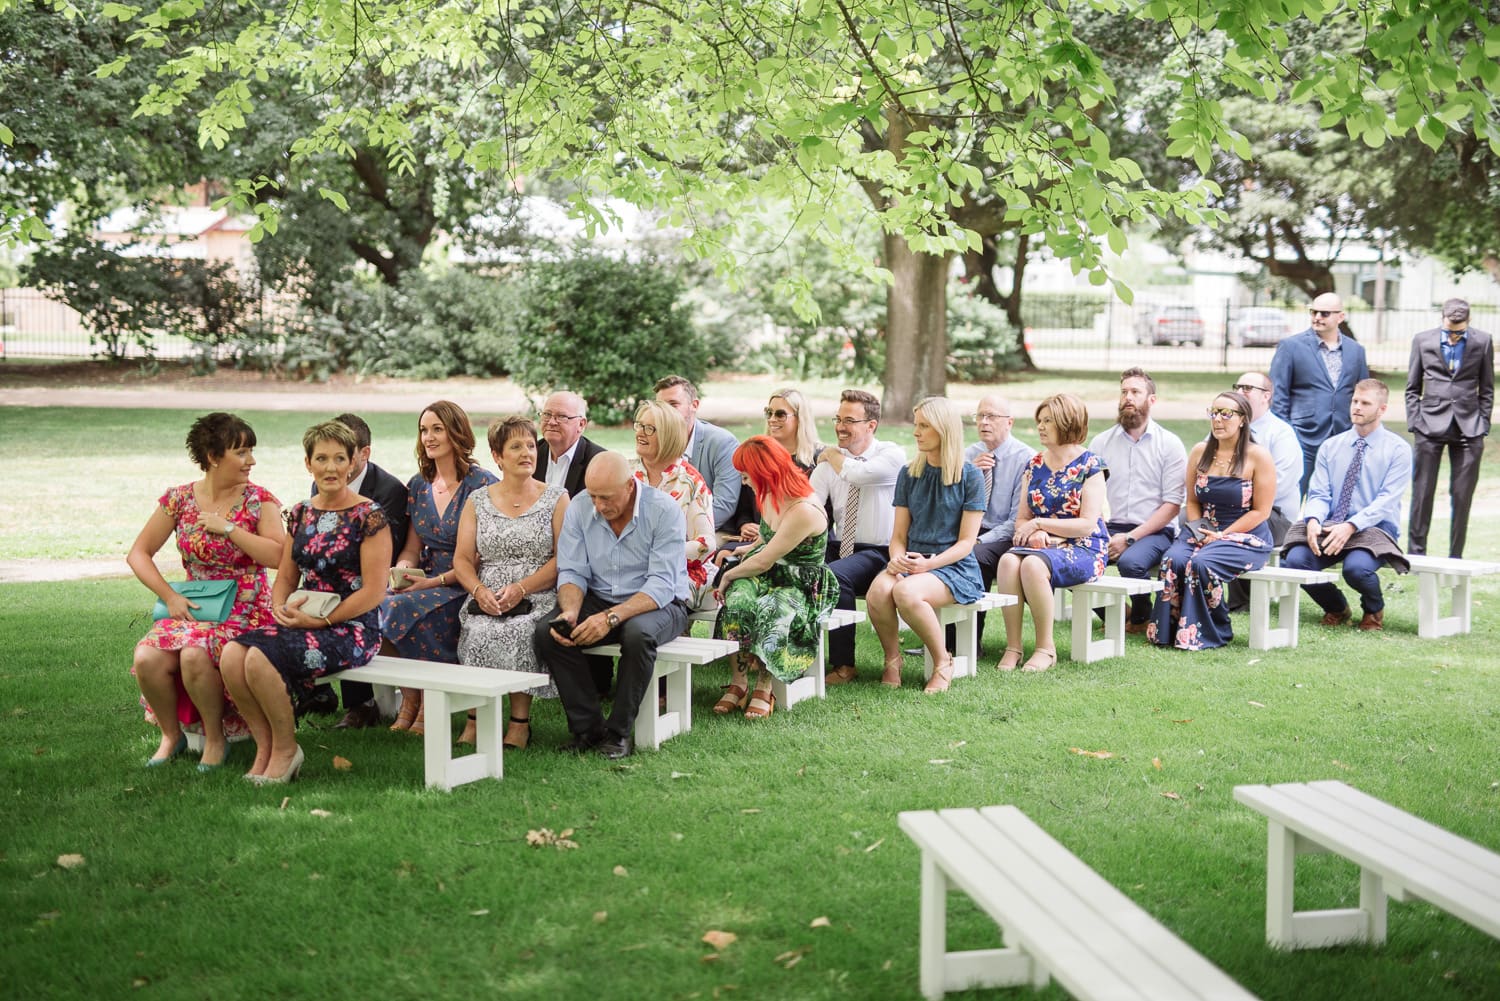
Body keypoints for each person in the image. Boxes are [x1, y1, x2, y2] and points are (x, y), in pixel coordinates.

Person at [219, 421, 392, 783]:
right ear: (308, 463)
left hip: (353, 626)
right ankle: (265, 747)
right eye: (322, 458)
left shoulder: (369, 516)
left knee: (260, 658)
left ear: (351, 464)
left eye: (339, 459)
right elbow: (284, 577)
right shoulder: (299, 514)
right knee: (233, 654)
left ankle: (287, 749)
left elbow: (374, 591)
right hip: (304, 617)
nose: (330, 467)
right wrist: (280, 607)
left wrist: (324, 623)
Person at [127, 413, 285, 770]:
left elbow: (279, 556)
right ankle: (171, 736)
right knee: (147, 657)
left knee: (194, 653)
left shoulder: (259, 500)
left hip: (246, 608)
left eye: (251, 451)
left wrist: (229, 528)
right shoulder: (179, 499)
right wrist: (169, 596)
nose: (251, 461)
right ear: (213, 457)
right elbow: (138, 554)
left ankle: (216, 739)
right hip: (193, 607)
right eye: (241, 452)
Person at [533, 452, 690, 760]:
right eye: (593, 496)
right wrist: (571, 612)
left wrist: (609, 618)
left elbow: (661, 584)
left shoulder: (663, 511)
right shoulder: (579, 507)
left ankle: (618, 733)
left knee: (637, 635)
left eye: (606, 497)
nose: (599, 506)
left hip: (661, 602)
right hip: (600, 596)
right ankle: (587, 728)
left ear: (630, 486)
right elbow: (572, 571)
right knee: (548, 633)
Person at [381, 401, 498, 735]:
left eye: (437, 429)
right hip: (426, 579)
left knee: (404, 609)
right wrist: (403, 570)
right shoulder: (419, 485)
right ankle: (412, 697)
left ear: (456, 432)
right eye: (423, 430)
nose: (428, 437)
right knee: (383, 602)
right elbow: (413, 547)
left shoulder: (482, 484)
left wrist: (431, 583)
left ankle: (429, 703)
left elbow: (478, 555)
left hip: (464, 581)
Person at [453, 416, 569, 750]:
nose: (526, 453)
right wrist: (479, 590)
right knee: (478, 629)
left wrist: (522, 588)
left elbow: (563, 559)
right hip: (487, 591)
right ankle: (476, 718)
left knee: (518, 630)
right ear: (498, 456)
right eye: (515, 446)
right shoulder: (477, 501)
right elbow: (462, 559)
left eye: (531, 446)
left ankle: (519, 724)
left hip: (538, 592)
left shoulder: (557, 498)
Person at [711, 437, 838, 718]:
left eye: (746, 475)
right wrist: (743, 549)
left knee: (773, 607)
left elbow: (767, 558)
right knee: (738, 599)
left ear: (763, 473)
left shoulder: (803, 508)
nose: (744, 482)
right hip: (767, 570)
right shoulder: (769, 493)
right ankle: (739, 682)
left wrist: (729, 574)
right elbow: (767, 540)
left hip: (800, 580)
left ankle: (764, 686)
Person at [865, 397, 985, 693]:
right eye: (916, 425)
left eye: (924, 426)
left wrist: (929, 564)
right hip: (912, 559)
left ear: (944, 430)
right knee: (878, 591)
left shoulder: (970, 475)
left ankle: (943, 661)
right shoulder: (909, 473)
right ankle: (893, 659)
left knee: (905, 591)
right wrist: (896, 559)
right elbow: (898, 537)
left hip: (953, 566)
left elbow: (967, 542)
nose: (916, 432)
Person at [1282, 379, 1413, 632]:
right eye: (1354, 401)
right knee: (1295, 561)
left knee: (1357, 569)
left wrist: (1352, 525)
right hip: (1331, 526)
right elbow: (1319, 492)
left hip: (1375, 528)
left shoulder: (1398, 450)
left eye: (1365, 403)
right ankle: (1337, 608)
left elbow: (1387, 500)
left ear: (1382, 409)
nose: (1357, 407)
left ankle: (1373, 609)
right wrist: (1313, 520)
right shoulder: (1331, 446)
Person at [1147, 392, 1275, 650]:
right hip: (1202, 527)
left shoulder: (1257, 456)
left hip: (1245, 533)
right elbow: (1193, 502)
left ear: (1242, 420)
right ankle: (1170, 631)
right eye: (1214, 412)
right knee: (1174, 560)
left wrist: (1223, 534)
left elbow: (1261, 511)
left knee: (1202, 563)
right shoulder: (1199, 452)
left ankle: (1214, 631)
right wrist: (1202, 531)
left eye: (1226, 414)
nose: (1218, 419)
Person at [995, 394, 1109, 672]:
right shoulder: (1033, 465)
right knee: (1008, 562)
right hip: (1045, 545)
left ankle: (1046, 648)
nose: (1041, 427)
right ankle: (1014, 646)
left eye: (1048, 421)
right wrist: (1032, 530)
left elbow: (1086, 524)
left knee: (1033, 565)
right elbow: (1022, 519)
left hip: (1086, 546)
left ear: (1067, 423)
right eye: (1040, 421)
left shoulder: (1090, 465)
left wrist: (1040, 525)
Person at [320, 412, 411, 730]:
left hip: (378, 574)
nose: (334, 465)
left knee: (348, 598)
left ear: (364, 453)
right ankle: (315, 685)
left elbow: (387, 550)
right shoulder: (325, 480)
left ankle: (362, 704)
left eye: (344, 454)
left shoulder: (388, 491)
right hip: (335, 569)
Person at [811, 389, 908, 685]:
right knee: (799, 569)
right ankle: (795, 655)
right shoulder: (831, 461)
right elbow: (809, 501)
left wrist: (828, 455)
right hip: (842, 546)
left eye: (849, 420)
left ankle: (844, 665)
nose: (840, 426)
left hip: (880, 551)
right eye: (838, 419)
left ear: (871, 425)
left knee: (833, 576)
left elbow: (859, 475)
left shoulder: (891, 454)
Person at [1088, 368, 1187, 631]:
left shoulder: (1170, 444)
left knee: (1131, 562)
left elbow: (1172, 505)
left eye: (1135, 392)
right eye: (1124, 392)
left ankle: (1142, 618)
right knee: (1071, 561)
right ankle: (1117, 615)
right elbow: (1088, 494)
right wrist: (1101, 530)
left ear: (1151, 400)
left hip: (1154, 530)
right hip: (1110, 526)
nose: (1128, 397)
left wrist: (1130, 538)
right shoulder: (1101, 443)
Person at [1405, 298, 1494, 558]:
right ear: (1442, 319)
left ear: (1468, 323)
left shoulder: (1483, 341)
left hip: (1469, 428)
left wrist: (1483, 422)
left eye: (1459, 332)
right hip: (1429, 426)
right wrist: (1415, 422)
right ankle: (1415, 555)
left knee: (1462, 495)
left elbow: (1487, 388)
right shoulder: (1423, 340)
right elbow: (1412, 388)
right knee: (1422, 493)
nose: (1454, 336)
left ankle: (1456, 556)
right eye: (1450, 331)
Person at [1270, 292, 1370, 495]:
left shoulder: (1356, 350)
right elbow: (1278, 394)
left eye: (1324, 313)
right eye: (1313, 312)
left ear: (1340, 317)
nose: (1317, 317)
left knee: (1337, 500)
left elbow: (1363, 393)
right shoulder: (1291, 346)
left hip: (1342, 437)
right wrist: (1287, 432)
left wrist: (1359, 430)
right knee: (1293, 496)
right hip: (1303, 436)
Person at [1222, 372, 1304, 613]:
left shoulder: (1281, 434)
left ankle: (1243, 601)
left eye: (1247, 388)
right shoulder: (1223, 427)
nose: (1239, 392)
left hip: (1275, 517)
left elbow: (1281, 483)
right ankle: (1193, 593)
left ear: (1266, 396)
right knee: (1188, 518)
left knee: (1240, 522)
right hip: (1229, 509)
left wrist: (1234, 499)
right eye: (1237, 387)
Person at [628, 398, 716, 608]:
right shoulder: (625, 474)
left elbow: (706, 544)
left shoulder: (690, 481)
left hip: (677, 572)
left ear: (669, 436)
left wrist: (655, 554)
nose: (640, 432)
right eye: (639, 425)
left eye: (650, 429)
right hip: (625, 570)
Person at [961, 394, 1036, 635]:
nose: (983, 422)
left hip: (1004, 535)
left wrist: (979, 540)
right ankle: (939, 634)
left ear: (1009, 422)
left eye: (991, 416)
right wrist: (969, 474)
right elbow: (951, 505)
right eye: (979, 416)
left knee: (973, 555)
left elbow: (1015, 521)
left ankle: (968, 639)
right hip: (969, 528)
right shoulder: (968, 455)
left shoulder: (1026, 458)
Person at [654, 374, 741, 531]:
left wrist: (675, 532)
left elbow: (724, 505)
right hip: (663, 528)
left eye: (673, 405)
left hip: (713, 530)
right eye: (661, 407)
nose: (666, 413)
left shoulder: (722, 442)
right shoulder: (654, 440)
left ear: (694, 405)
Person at [533, 390, 606, 498]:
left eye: (562, 416)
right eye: (547, 414)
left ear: (581, 424)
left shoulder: (598, 462)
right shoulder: (532, 454)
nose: (552, 422)